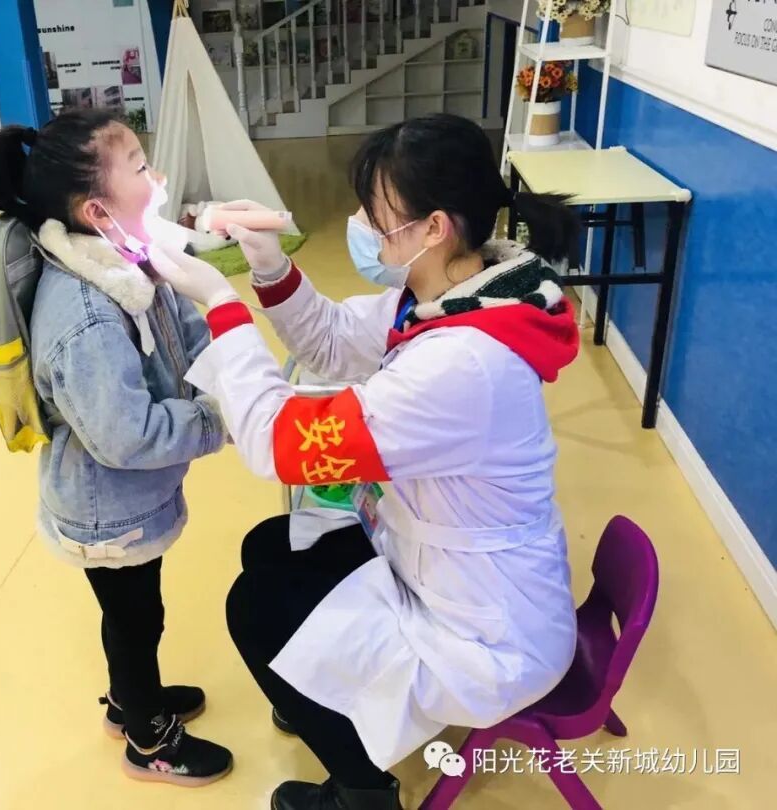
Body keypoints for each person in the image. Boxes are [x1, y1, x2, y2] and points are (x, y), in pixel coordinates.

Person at [147, 114, 582, 810]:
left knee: (256, 608)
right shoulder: (459, 292)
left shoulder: (463, 362)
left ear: (433, 227)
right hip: (446, 561)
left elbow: (282, 444)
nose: (363, 227)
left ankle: (362, 792)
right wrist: (270, 267)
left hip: (488, 631)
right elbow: (334, 340)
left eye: (377, 216)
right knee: (272, 547)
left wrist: (223, 306)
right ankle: (318, 693)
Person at [0, 110, 233, 787]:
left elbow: (182, 328)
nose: (159, 177)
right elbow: (127, 434)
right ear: (96, 209)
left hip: (128, 496)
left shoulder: (123, 260)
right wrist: (217, 421)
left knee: (136, 612)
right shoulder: (86, 313)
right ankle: (148, 738)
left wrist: (233, 366)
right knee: (134, 617)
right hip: (105, 509)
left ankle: (130, 700)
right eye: (142, 168)